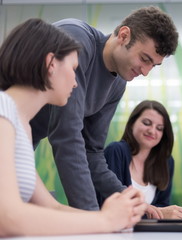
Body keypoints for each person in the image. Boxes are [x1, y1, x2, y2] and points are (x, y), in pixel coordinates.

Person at [0, 18, 147, 237]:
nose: (77, 82)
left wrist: (111, 216)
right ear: (51, 65)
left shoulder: (21, 127)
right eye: (74, 68)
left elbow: (52, 207)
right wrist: (104, 219)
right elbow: (8, 220)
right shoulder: (3, 112)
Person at [30, 6, 179, 211]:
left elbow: (91, 151)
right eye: (145, 59)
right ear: (124, 35)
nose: (145, 71)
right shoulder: (76, 39)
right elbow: (67, 136)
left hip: (20, 143)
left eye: (153, 65)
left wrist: (133, 200)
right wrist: (93, 218)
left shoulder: (118, 83)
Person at [97, 100, 182, 219]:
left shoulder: (166, 161)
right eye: (147, 123)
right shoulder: (116, 151)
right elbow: (113, 208)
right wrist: (159, 215)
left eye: (159, 128)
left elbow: (163, 205)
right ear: (132, 123)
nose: (152, 131)